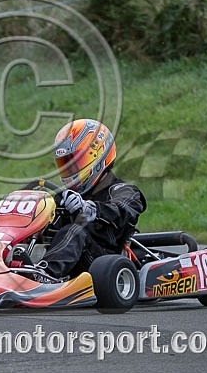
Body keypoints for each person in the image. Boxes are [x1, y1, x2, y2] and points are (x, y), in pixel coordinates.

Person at [40, 119, 147, 279]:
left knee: (75, 230)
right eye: (66, 164)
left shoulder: (125, 191)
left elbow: (119, 211)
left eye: (76, 163)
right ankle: (0, 269)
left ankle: (43, 276)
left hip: (103, 262)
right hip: (69, 259)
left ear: (98, 156)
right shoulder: (67, 196)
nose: (70, 170)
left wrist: (89, 208)